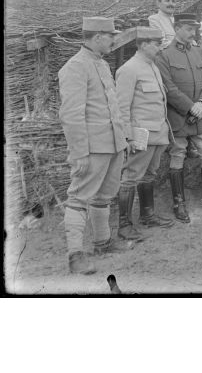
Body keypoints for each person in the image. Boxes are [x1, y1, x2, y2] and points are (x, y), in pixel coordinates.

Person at [58, 17, 129, 275]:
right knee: (78, 198)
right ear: (98, 36)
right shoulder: (75, 67)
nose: (113, 40)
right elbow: (71, 115)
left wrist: (123, 140)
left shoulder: (101, 64)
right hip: (92, 148)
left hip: (112, 145)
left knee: (104, 197)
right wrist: (79, 153)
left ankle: (103, 243)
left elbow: (112, 108)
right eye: (111, 36)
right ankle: (75, 257)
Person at [156, 13, 202, 215]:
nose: (193, 33)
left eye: (195, 29)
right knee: (178, 153)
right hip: (179, 115)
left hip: (201, 114)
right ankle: (178, 204)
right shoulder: (163, 54)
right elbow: (168, 88)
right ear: (177, 28)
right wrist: (190, 107)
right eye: (189, 29)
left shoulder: (198, 52)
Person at [115, 27, 175, 240]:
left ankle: (147, 215)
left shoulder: (153, 67)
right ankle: (124, 225)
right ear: (142, 44)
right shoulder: (129, 69)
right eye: (156, 43)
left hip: (158, 133)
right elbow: (122, 107)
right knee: (131, 177)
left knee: (149, 175)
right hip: (140, 135)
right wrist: (128, 136)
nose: (160, 47)